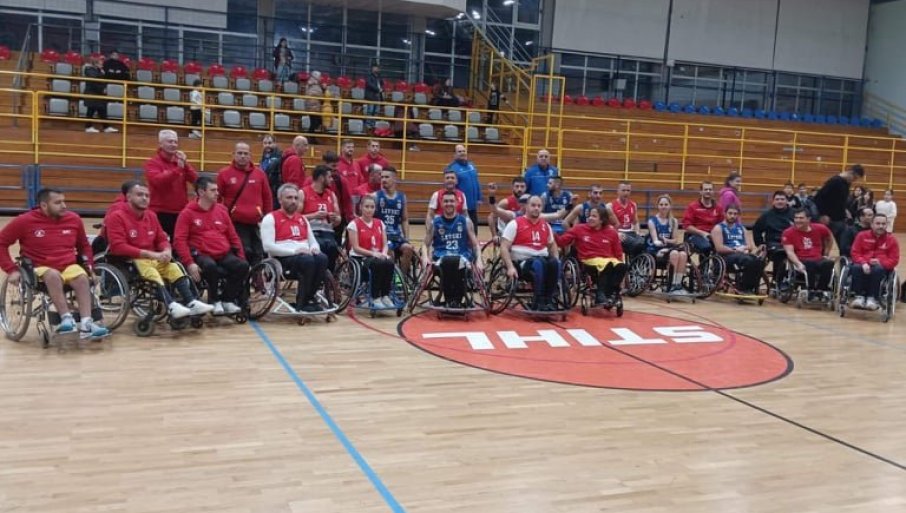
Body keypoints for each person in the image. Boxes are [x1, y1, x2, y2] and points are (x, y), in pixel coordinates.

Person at [0, 188, 109, 340]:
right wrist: (11, 269)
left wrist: (89, 267)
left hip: (68, 265)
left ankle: (86, 324)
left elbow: (84, 246)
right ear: (44, 205)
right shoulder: (24, 221)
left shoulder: (74, 219)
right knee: (52, 275)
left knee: (82, 278)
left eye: (64, 201)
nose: (64, 206)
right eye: (58, 203)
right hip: (39, 266)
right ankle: (66, 318)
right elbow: (2, 242)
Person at [106, 183, 213, 319]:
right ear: (129, 197)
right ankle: (171, 306)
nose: (144, 198)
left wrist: (167, 250)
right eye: (140, 195)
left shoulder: (151, 216)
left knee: (174, 267)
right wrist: (151, 254)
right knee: (152, 272)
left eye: (147, 195)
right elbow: (118, 246)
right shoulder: (116, 217)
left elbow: (161, 239)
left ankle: (191, 302)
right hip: (130, 260)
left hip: (152, 258)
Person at [174, 177, 249, 315]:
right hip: (200, 253)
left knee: (242, 266)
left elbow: (233, 236)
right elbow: (179, 240)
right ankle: (214, 300)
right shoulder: (187, 213)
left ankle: (227, 300)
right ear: (201, 192)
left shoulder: (222, 210)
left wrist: (241, 256)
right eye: (213, 190)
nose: (217, 193)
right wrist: (189, 263)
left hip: (222, 252)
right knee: (210, 266)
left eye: (217, 190)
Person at [260, 183, 329, 313]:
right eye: (289, 198)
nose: (293, 201)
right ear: (280, 200)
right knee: (307, 261)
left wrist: (314, 248)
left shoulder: (302, 219)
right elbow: (268, 247)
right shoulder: (270, 218)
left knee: (322, 258)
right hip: (283, 260)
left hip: (304, 256)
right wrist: (294, 251)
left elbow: (313, 242)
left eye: (296, 198)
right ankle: (302, 302)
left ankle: (308, 298)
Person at [500, 195, 562, 311]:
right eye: (533, 205)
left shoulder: (545, 225)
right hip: (522, 263)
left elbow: (552, 245)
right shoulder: (515, 223)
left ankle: (549, 300)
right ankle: (538, 301)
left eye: (539, 206)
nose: (536, 208)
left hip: (542, 258)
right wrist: (510, 267)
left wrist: (556, 258)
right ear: (526, 207)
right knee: (539, 264)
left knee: (555, 263)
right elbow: (504, 247)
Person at [422, 191, 482, 308]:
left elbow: (475, 245)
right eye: (446, 201)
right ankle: (452, 300)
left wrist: (479, 260)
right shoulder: (435, 222)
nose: (448, 203)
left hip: (462, 257)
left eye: (451, 201)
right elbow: (425, 244)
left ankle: (455, 300)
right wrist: (425, 257)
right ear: (441, 203)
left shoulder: (465, 221)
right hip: (441, 258)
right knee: (449, 261)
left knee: (457, 262)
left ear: (457, 203)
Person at [556, 205, 626, 306]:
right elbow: (562, 241)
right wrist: (553, 235)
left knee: (622, 266)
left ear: (601, 220)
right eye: (589, 216)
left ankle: (610, 292)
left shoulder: (611, 232)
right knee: (608, 265)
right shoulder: (579, 229)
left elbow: (618, 252)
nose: (590, 218)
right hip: (588, 260)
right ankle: (600, 294)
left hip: (608, 259)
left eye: (594, 216)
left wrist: (621, 267)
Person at [216, 142, 272, 265]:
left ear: (250, 155)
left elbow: (267, 197)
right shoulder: (224, 174)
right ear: (233, 154)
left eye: (246, 153)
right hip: (235, 223)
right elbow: (216, 198)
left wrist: (267, 218)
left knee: (258, 253)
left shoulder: (260, 174)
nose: (243, 156)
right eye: (240, 153)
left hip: (256, 223)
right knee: (244, 252)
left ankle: (257, 276)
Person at [144, 129, 199, 239]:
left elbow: (195, 180)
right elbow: (158, 181)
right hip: (159, 212)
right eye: (170, 141)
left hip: (180, 212)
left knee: (179, 242)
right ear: (161, 144)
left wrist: (185, 164)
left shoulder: (180, 162)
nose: (173, 144)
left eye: (175, 142)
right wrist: (178, 170)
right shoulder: (152, 163)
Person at [347, 195, 395, 308]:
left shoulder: (380, 223)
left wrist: (384, 253)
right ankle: (375, 297)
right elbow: (356, 248)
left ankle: (385, 295)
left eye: (372, 207)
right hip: (361, 258)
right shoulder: (354, 224)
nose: (369, 209)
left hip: (378, 256)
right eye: (367, 206)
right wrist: (373, 254)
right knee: (377, 264)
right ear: (361, 207)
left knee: (389, 262)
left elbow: (385, 244)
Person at [848, 214, 899, 310]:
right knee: (856, 267)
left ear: (887, 225)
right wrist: (864, 262)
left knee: (878, 269)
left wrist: (881, 262)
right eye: (878, 223)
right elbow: (855, 253)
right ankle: (858, 296)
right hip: (862, 264)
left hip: (881, 268)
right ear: (872, 224)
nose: (881, 226)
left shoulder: (891, 240)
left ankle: (873, 298)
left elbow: (894, 259)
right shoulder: (861, 235)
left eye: (883, 224)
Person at [711, 204, 765, 295]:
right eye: (730, 213)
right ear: (725, 214)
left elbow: (750, 246)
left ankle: (750, 287)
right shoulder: (718, 228)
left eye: (735, 214)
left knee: (759, 261)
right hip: (726, 257)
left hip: (741, 254)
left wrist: (744, 248)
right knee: (748, 261)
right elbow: (719, 248)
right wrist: (735, 250)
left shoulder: (741, 228)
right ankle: (744, 288)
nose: (732, 216)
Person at [781, 209, 835, 299]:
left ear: (808, 219)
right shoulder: (788, 232)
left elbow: (829, 238)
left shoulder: (820, 228)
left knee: (829, 263)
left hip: (818, 258)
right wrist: (798, 264)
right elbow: (789, 252)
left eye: (801, 218)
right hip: (801, 258)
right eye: (796, 218)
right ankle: (810, 290)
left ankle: (821, 290)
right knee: (810, 263)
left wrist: (826, 253)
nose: (798, 220)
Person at [300, 164, 342, 271]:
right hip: (310, 232)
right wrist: (314, 215)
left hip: (328, 232)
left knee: (333, 247)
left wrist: (335, 218)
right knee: (320, 246)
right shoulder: (303, 193)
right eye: (329, 177)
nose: (331, 180)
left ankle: (329, 276)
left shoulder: (331, 195)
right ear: (321, 178)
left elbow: (338, 219)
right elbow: (296, 218)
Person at [814, 164, 865, 247]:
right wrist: (823, 214)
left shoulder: (847, 183)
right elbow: (818, 198)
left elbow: (840, 200)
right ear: (851, 173)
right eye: (855, 178)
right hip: (830, 219)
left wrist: (845, 210)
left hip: (840, 219)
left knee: (843, 244)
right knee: (823, 243)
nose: (854, 181)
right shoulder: (835, 181)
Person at [647, 194, 688, 295]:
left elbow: (675, 240)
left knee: (683, 254)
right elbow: (655, 240)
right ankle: (670, 284)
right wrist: (662, 244)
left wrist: (667, 241)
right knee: (674, 253)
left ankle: (677, 284)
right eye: (661, 204)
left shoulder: (673, 221)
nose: (663, 207)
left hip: (669, 248)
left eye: (666, 204)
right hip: (656, 250)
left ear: (670, 206)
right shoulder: (652, 221)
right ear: (657, 206)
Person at [374, 167, 414, 273]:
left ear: (394, 179)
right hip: (382, 236)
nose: (383, 180)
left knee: (408, 248)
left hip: (396, 235)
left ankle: (401, 277)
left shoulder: (402, 197)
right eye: (382, 177)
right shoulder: (376, 196)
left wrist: (407, 238)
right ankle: (390, 276)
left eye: (387, 177)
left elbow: (404, 219)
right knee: (389, 250)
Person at [752, 191, 794, 290]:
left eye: (782, 199)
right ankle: (777, 281)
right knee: (780, 253)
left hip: (792, 243)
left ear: (787, 201)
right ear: (773, 202)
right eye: (777, 199)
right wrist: (760, 243)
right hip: (773, 243)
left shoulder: (794, 214)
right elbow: (756, 230)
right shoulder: (766, 215)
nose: (780, 201)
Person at [444, 144, 482, 234]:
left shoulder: (471, 165)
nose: (462, 153)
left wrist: (479, 198)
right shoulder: (451, 168)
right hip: (460, 208)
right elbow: (449, 187)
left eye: (464, 151)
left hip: (473, 206)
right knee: (462, 231)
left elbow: (476, 182)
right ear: (455, 154)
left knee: (473, 230)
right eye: (459, 151)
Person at [682, 181, 723, 255]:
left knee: (722, 246)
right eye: (706, 189)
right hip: (696, 235)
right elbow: (687, 226)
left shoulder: (718, 208)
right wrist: (702, 233)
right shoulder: (692, 207)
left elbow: (722, 225)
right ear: (700, 192)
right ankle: (704, 263)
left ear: (713, 192)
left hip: (713, 235)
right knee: (706, 247)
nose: (708, 191)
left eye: (710, 189)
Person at [606, 181, 646, 257]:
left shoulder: (633, 205)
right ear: (618, 191)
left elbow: (636, 222)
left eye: (628, 190)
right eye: (623, 190)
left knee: (645, 243)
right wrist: (616, 234)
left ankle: (637, 262)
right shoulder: (610, 206)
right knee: (636, 244)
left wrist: (638, 232)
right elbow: (606, 225)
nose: (626, 193)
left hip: (630, 232)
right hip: (618, 233)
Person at [83, 55, 116, 133]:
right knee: (91, 110)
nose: (102, 63)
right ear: (96, 63)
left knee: (102, 110)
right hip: (92, 93)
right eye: (101, 62)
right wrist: (102, 89)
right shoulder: (89, 69)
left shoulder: (99, 70)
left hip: (99, 94)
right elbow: (94, 81)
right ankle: (88, 127)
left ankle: (106, 127)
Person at [305, 71, 324, 141]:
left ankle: (311, 137)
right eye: (320, 76)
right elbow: (314, 93)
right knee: (314, 122)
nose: (321, 77)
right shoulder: (312, 83)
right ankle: (310, 137)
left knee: (316, 122)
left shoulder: (317, 84)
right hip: (312, 106)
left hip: (315, 106)